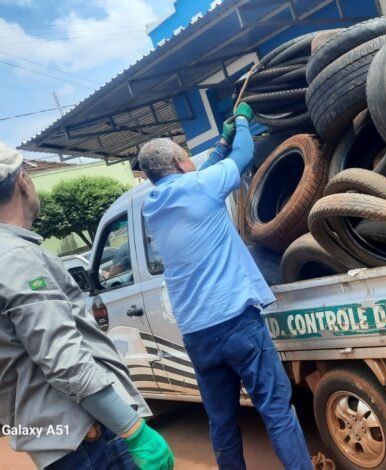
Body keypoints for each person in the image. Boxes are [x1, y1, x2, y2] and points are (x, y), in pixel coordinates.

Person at [139, 103, 312, 470]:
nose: (190, 162)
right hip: (236, 322)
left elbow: (199, 174)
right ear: (177, 165)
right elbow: (245, 155)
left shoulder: (154, 205)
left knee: (222, 423)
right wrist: (245, 122)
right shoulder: (201, 187)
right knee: (277, 410)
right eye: (185, 157)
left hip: (197, 334)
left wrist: (220, 141)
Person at [0, 142, 175, 470]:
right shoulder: (17, 258)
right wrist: (133, 431)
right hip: (87, 442)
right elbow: (64, 359)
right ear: (23, 181)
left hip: (55, 439)